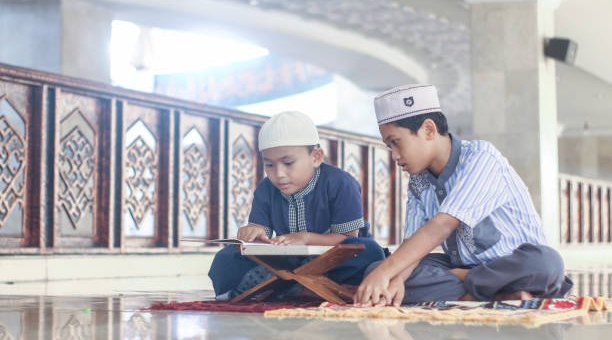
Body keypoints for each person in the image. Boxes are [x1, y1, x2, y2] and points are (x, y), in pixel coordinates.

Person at [354, 84, 573, 307]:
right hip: (465, 267)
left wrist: (386, 273)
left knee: (548, 263)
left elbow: (442, 225)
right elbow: (412, 246)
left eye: (395, 143)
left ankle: (469, 286)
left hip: (514, 267)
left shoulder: (481, 157)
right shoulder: (418, 181)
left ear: (428, 130)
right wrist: (394, 279)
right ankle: (495, 294)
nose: (394, 155)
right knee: (378, 268)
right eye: (389, 146)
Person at [209, 111, 386, 300]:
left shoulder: (341, 184)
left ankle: (280, 284)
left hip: (332, 257)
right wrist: (252, 233)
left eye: (288, 162)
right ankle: (300, 283)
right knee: (225, 258)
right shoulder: (265, 189)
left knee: (369, 250)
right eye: (269, 165)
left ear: (316, 157)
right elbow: (262, 234)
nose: (279, 174)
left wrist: (306, 238)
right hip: (287, 258)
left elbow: (346, 238)